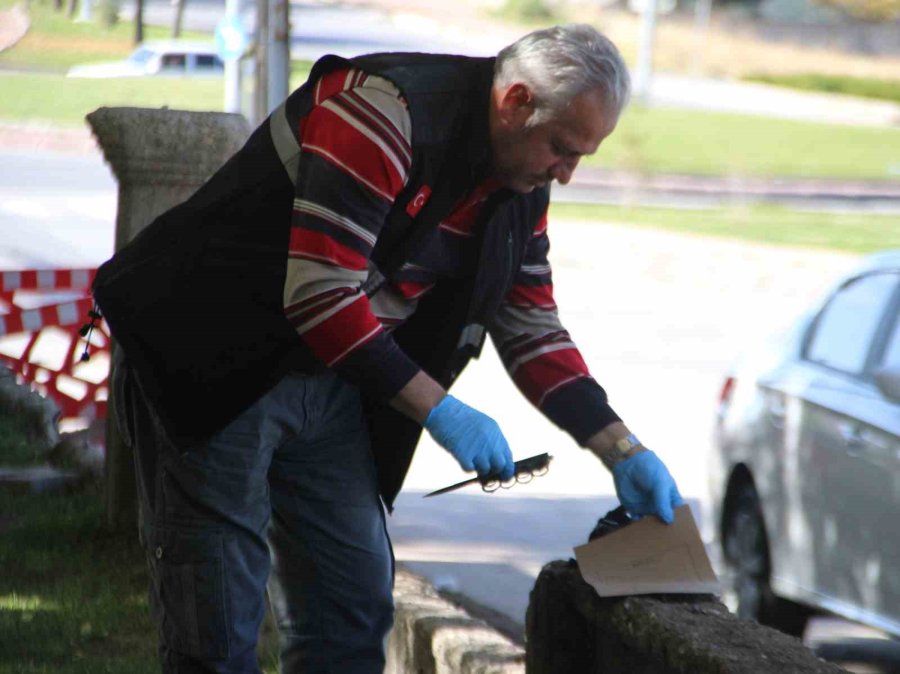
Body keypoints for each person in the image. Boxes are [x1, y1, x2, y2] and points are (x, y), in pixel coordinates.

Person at [94, 23, 684, 674]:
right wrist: (442, 411)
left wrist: (620, 448)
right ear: (515, 102)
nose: (566, 175)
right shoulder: (384, 112)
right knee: (218, 626)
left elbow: (533, 328)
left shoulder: (521, 182)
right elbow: (321, 295)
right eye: (562, 149)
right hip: (211, 355)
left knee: (351, 608)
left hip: (332, 376)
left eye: (582, 157)